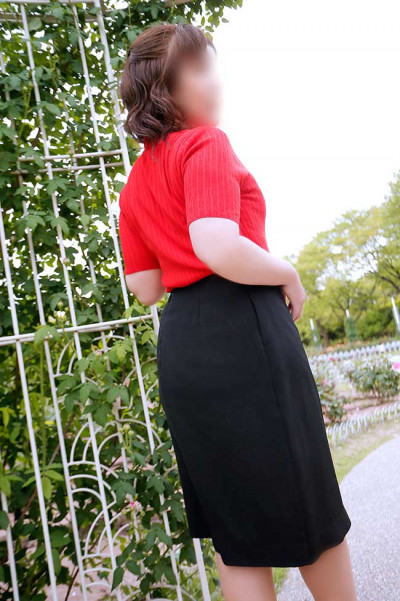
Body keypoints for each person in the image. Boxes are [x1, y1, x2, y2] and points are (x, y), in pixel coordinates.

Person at [117, 22, 357, 601]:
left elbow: (146, 287)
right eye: (199, 70)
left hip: (186, 348)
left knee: (236, 529)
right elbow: (217, 246)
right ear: (164, 89)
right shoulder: (205, 144)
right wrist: (287, 272)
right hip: (243, 331)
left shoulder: (134, 183)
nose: (215, 81)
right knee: (309, 507)